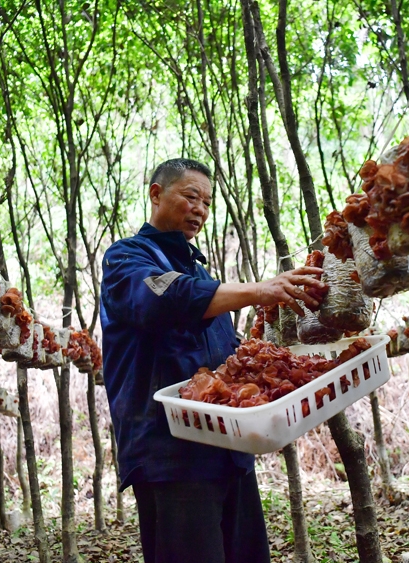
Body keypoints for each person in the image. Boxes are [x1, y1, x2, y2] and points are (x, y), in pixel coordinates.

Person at [100, 158, 324, 563]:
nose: (201, 209)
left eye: (207, 201)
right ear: (156, 194)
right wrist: (260, 290)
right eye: (191, 196)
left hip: (228, 449)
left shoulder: (199, 272)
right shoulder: (126, 260)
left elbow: (230, 358)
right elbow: (164, 299)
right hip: (172, 453)